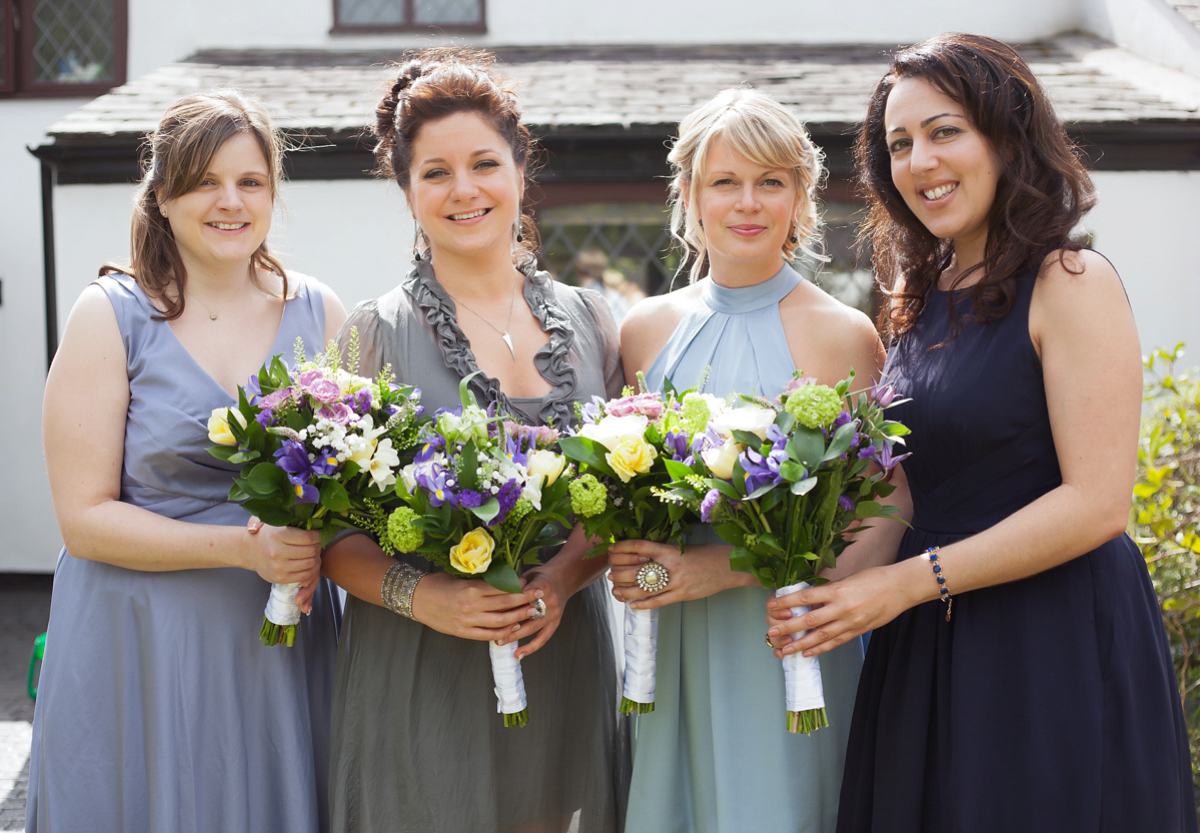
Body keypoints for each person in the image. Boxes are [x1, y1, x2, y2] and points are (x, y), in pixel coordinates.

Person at [766, 33, 1198, 832]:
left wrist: (901, 584)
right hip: (930, 643)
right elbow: (904, 491)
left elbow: (1099, 502)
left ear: (1007, 136)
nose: (920, 160)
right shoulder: (916, 297)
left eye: (944, 131)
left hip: (1049, 641)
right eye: (899, 144)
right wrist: (822, 592)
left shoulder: (1071, 281)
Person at [320, 48, 625, 833]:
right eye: (435, 173)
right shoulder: (370, 334)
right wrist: (426, 596)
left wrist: (559, 579)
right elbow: (329, 534)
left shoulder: (595, 322)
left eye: (484, 163)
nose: (464, 190)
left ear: (521, 169)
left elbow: (621, 502)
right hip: (421, 669)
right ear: (407, 190)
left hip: (562, 659)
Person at [27, 89, 346, 833]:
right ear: (163, 196)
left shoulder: (320, 312)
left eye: (250, 182)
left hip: (281, 654)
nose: (229, 201)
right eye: (205, 180)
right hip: (140, 648)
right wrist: (246, 548)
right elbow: (84, 519)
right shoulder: (111, 314)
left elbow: (354, 480)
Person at [612, 87, 886, 833]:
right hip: (670, 641)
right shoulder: (642, 332)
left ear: (801, 196)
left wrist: (731, 574)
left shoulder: (844, 334)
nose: (748, 202)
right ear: (691, 196)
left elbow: (885, 512)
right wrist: (655, 572)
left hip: (789, 636)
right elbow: (623, 503)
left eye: (771, 181)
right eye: (725, 181)